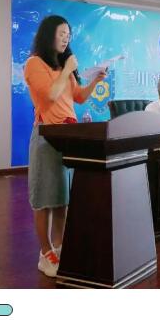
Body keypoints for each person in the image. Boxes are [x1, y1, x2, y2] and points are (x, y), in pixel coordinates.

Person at [24, 15, 107, 277]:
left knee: (62, 199)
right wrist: (68, 69)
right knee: (44, 199)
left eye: (68, 35)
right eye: (61, 33)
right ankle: (45, 252)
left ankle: (59, 247)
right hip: (46, 136)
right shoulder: (34, 63)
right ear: (48, 34)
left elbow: (78, 97)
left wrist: (95, 81)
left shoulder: (64, 66)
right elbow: (50, 95)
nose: (66, 38)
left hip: (68, 137)